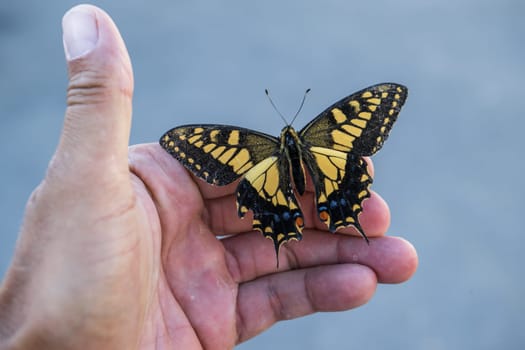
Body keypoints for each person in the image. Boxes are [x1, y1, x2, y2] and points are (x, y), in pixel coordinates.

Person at [0, 4, 418, 349]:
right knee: (336, 189)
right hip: (318, 166)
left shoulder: (252, 146)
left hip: (269, 176)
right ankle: (328, 208)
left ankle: (306, 212)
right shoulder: (315, 133)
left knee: (314, 194)